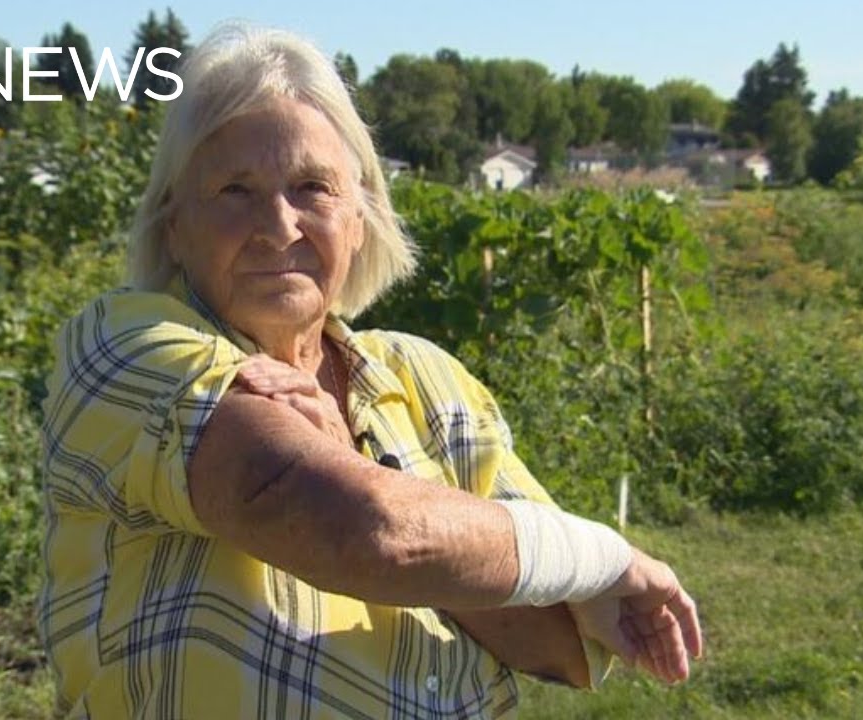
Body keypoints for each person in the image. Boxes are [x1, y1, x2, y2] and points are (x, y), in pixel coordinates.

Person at [38, 23, 702, 719]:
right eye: (234, 189)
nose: (279, 225)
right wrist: (598, 558)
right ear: (174, 225)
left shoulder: (428, 379)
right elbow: (345, 523)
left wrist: (365, 476)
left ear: (360, 219)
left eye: (312, 187)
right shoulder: (126, 344)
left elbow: (557, 641)